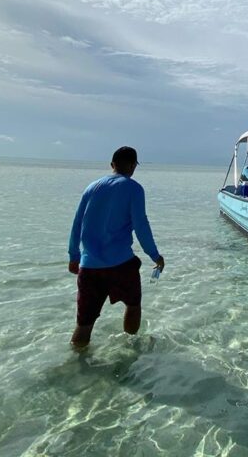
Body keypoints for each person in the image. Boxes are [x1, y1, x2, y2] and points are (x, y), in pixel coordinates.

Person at [67, 146, 165, 348]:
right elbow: (141, 225)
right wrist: (155, 256)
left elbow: (77, 223)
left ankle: (77, 365)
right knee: (133, 305)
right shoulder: (134, 189)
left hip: (89, 267)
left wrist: (74, 256)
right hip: (121, 264)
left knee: (84, 323)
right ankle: (130, 347)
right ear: (133, 166)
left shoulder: (91, 187)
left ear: (112, 165)